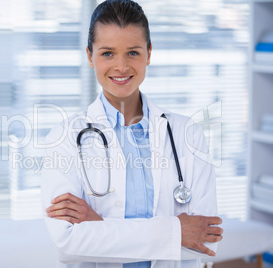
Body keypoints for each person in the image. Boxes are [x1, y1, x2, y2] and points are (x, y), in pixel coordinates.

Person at [41, 0, 223, 267]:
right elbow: (68, 246)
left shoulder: (187, 133)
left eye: (133, 53)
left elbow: (206, 242)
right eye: (107, 53)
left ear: (149, 54)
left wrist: (100, 226)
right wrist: (176, 232)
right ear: (90, 56)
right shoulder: (65, 138)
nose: (121, 66)